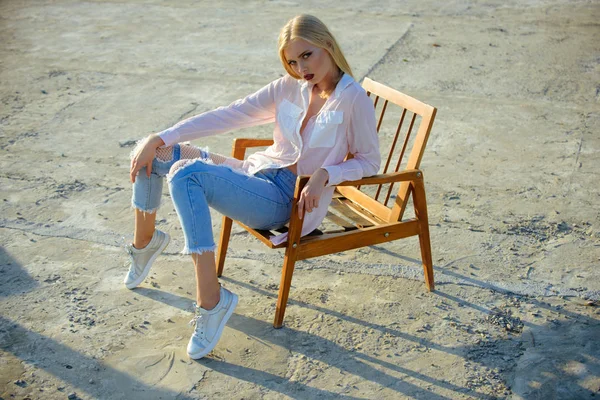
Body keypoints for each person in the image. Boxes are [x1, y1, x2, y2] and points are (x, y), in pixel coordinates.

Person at [125, 14, 381, 359]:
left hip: (286, 201)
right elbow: (228, 114)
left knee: (187, 173)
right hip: (255, 174)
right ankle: (145, 242)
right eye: (292, 60)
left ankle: (211, 301)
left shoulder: (353, 99)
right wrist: (163, 135)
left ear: (328, 46)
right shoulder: (288, 87)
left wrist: (324, 174)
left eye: (307, 55)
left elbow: (368, 162)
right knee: (153, 151)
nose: (300, 67)